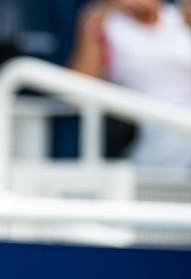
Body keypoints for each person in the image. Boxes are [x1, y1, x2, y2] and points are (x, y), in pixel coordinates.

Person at [69, 0, 191, 167]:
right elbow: (79, 88)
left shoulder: (179, 16)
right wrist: (106, 11)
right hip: (146, 119)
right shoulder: (106, 21)